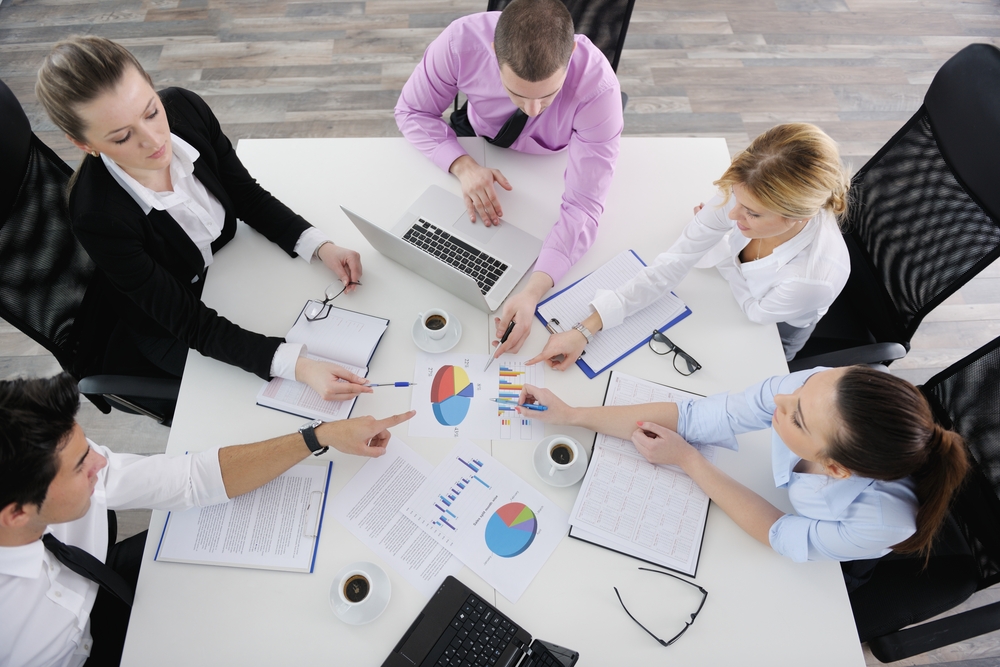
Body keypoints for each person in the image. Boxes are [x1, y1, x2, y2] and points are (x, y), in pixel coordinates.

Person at [0, 373, 414, 667]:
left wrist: (319, 436)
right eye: (79, 466)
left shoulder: (62, 473)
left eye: (87, 445)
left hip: (102, 587)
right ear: (16, 513)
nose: (102, 462)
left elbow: (190, 478)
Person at [35, 36, 368, 401]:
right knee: (264, 403)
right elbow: (190, 323)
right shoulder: (98, 216)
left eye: (151, 112)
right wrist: (299, 366)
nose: (154, 140)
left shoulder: (185, 109)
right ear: (85, 144)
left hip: (229, 273)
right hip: (176, 326)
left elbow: (246, 196)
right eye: (123, 137)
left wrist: (319, 246)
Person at [516, 366, 968, 564]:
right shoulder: (822, 394)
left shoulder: (882, 523)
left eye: (795, 417)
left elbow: (781, 534)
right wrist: (572, 415)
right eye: (803, 386)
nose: (780, 397)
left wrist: (689, 460)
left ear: (835, 469)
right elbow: (700, 415)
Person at [394, 0, 623, 357]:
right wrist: (463, 165)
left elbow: (584, 205)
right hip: (481, 144)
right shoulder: (460, 42)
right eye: (517, 93)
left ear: (573, 51)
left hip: (552, 163)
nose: (532, 110)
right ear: (492, 52)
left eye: (548, 95)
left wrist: (533, 291)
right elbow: (411, 110)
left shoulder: (600, 89)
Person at [532, 123, 852, 367]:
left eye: (751, 213)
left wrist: (720, 248)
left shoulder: (811, 280)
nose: (732, 213)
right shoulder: (747, 189)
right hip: (737, 297)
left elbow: (756, 312)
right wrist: (587, 329)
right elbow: (674, 262)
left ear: (795, 217)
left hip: (773, 331)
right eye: (735, 198)